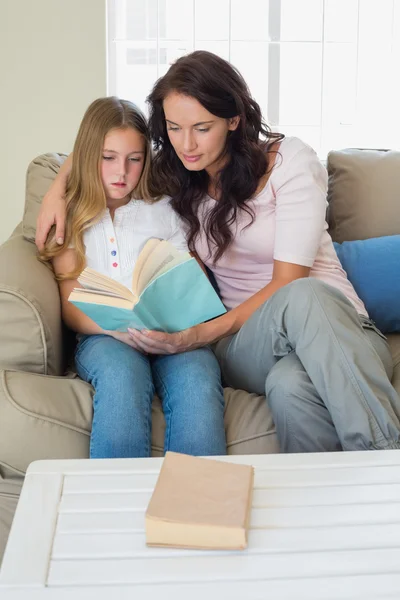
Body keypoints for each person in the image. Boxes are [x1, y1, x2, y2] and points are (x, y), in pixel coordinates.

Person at [36, 52, 400, 453]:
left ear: (233, 119)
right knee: (290, 331)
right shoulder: (178, 179)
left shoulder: (291, 161)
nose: (187, 144)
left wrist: (196, 336)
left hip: (338, 334)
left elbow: (288, 282)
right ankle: (387, 471)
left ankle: (354, 481)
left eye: (202, 128)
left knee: (291, 381)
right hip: (249, 343)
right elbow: (110, 147)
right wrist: (59, 187)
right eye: (174, 128)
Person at [39, 96, 226, 459]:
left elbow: (191, 277)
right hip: (104, 335)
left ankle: (196, 507)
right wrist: (116, 330)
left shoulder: (163, 209)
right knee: (123, 376)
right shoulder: (72, 215)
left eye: (134, 159)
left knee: (198, 376)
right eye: (107, 158)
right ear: (89, 156)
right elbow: (70, 302)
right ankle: (113, 506)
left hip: (171, 329)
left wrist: (179, 323)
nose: (120, 172)